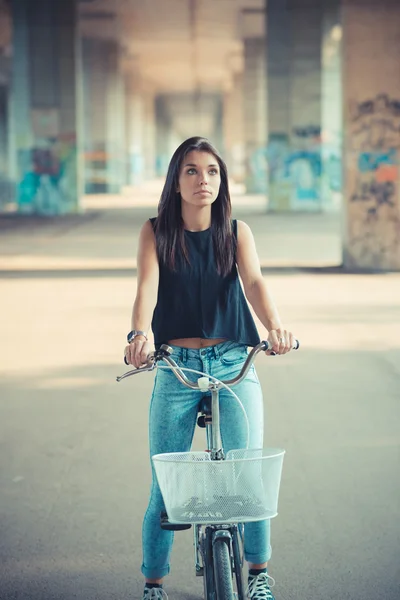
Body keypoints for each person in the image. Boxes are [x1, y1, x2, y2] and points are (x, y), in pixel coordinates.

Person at [124, 137, 296, 600]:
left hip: (232, 360)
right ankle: (154, 583)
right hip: (175, 366)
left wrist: (276, 328)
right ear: (176, 181)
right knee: (166, 485)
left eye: (213, 172)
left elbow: (255, 281)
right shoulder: (156, 231)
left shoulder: (236, 232)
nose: (204, 180)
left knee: (248, 475)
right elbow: (147, 287)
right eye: (192, 171)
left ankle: (258, 573)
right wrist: (138, 334)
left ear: (222, 180)